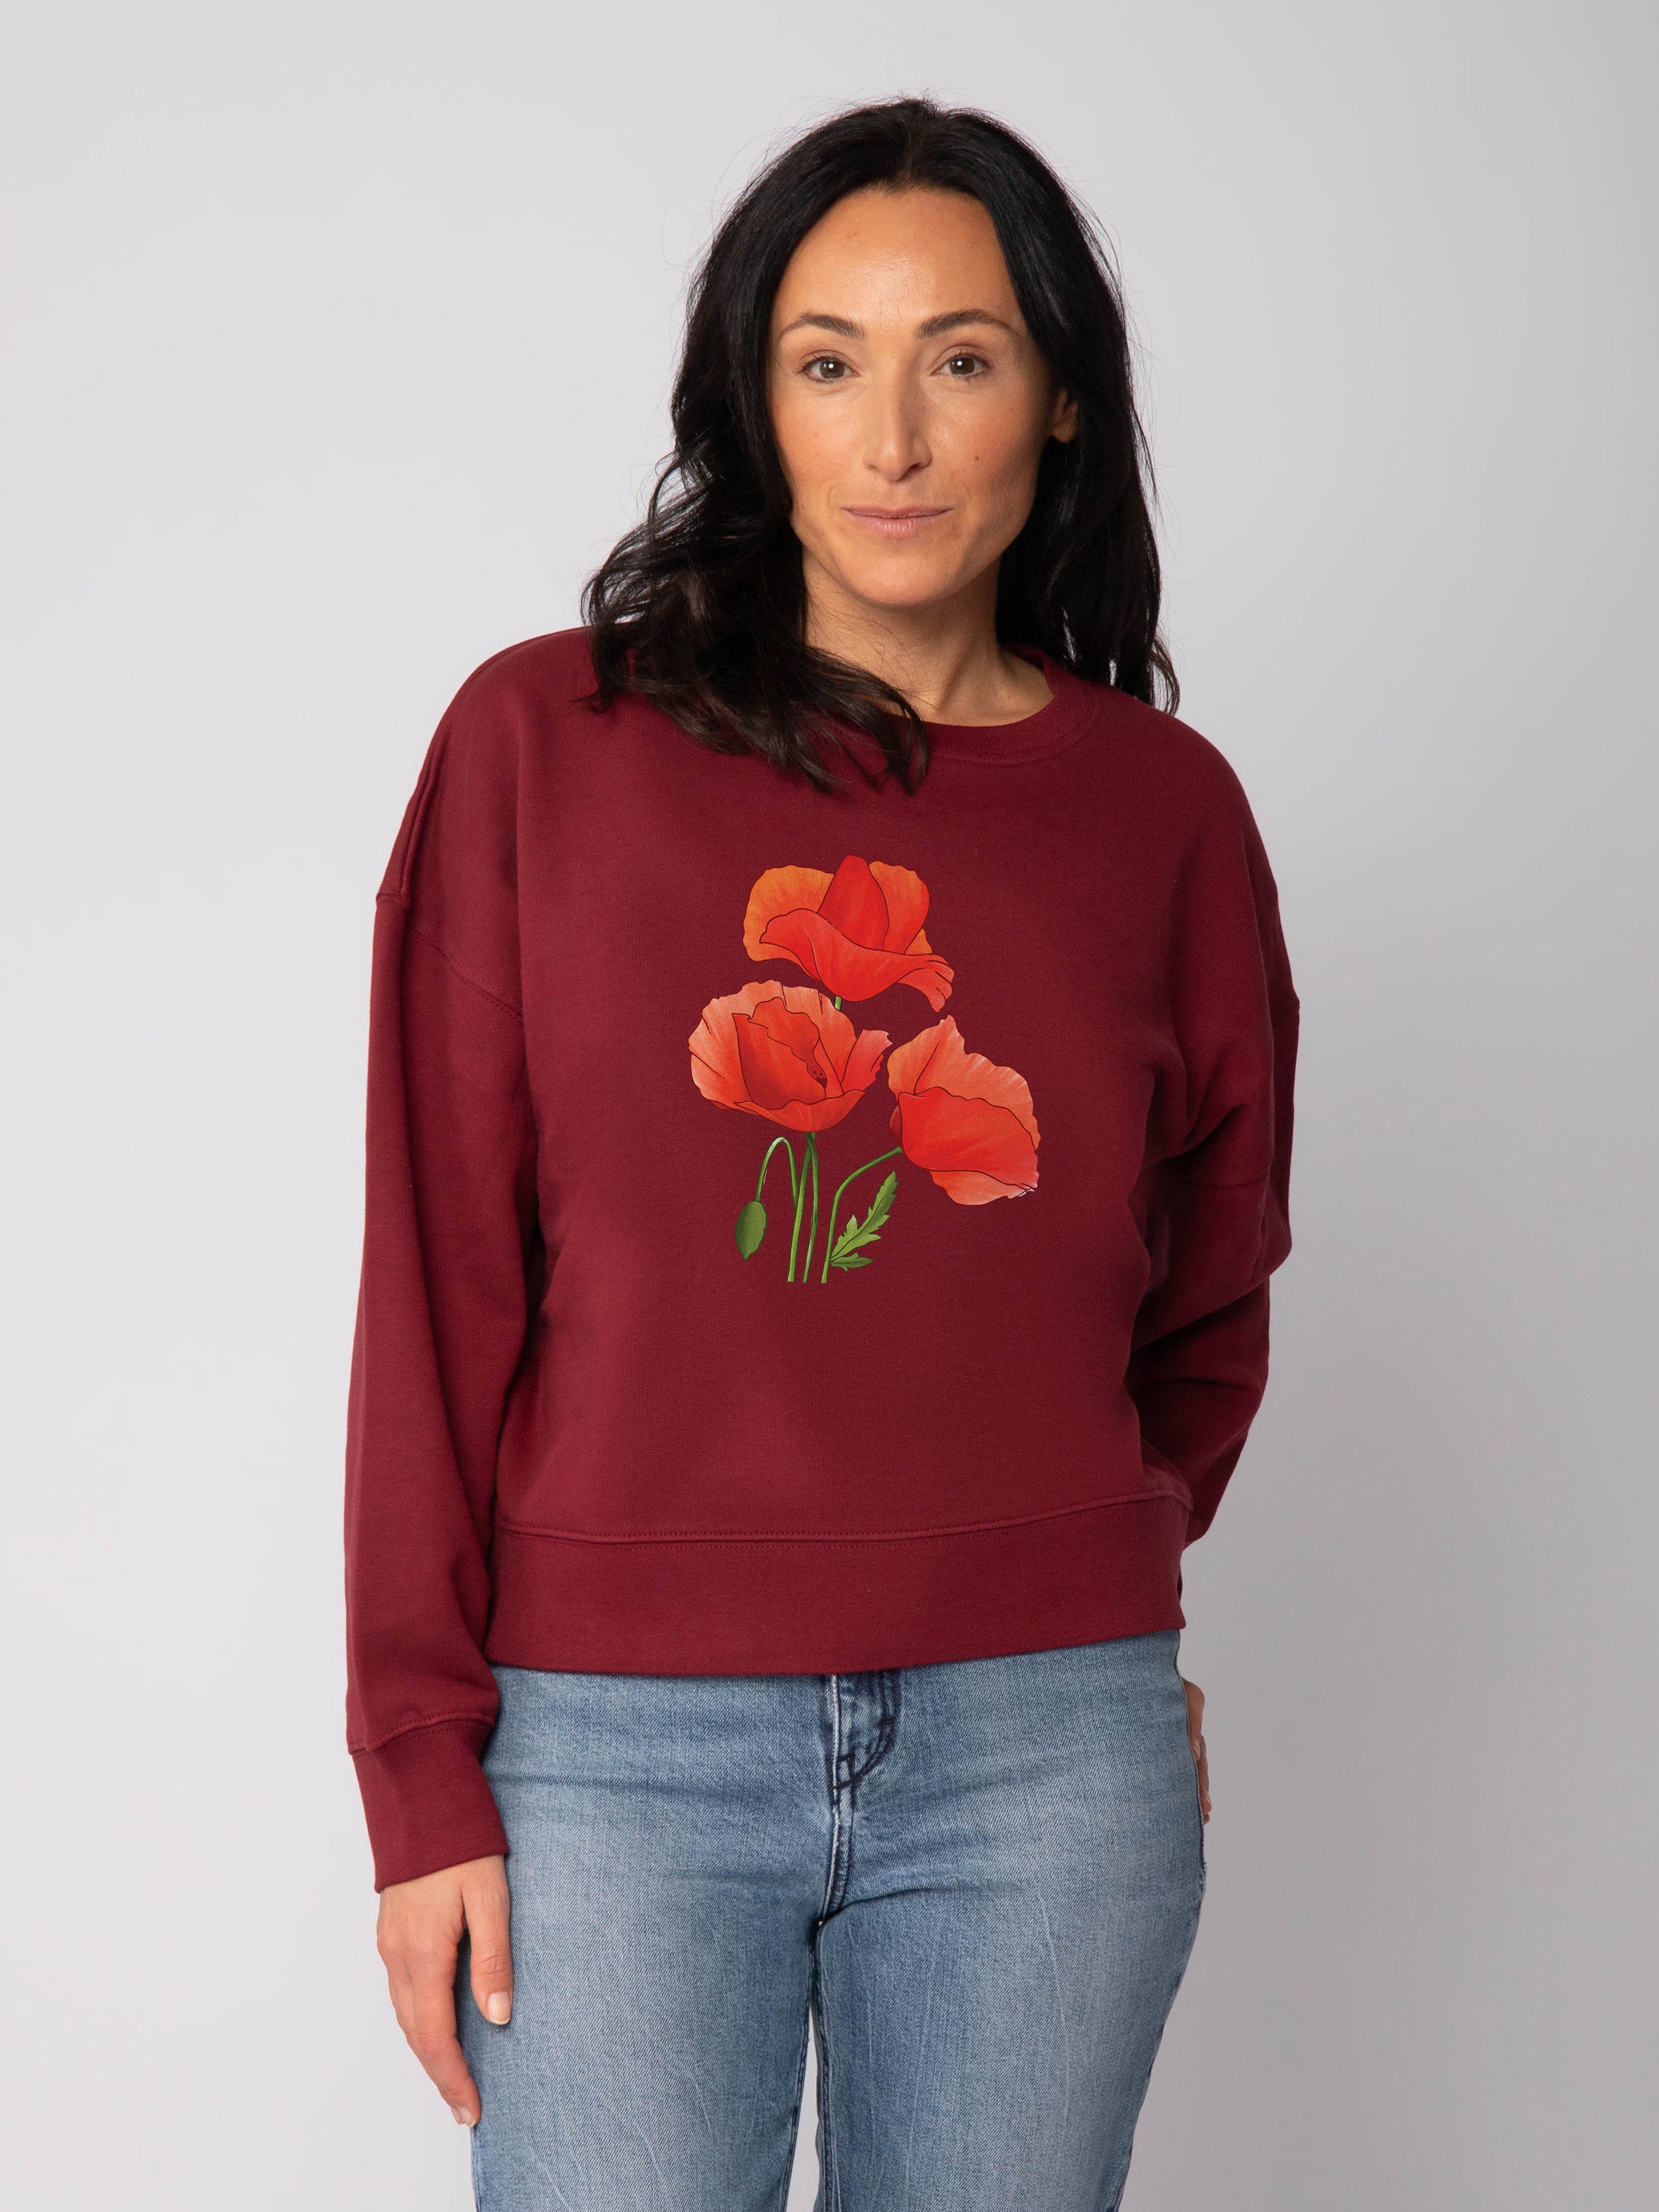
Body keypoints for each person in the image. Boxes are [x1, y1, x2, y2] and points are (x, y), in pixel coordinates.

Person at [345, 94, 1297, 2211]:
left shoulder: (1167, 815)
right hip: (610, 1761)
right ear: (753, 403)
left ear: (1059, 400)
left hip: (1043, 1767)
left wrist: (1095, 1590)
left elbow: (1211, 1288)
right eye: (828, 361)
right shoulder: (543, 749)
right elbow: (437, 1289)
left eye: (962, 357)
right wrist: (421, 1770)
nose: (895, 438)